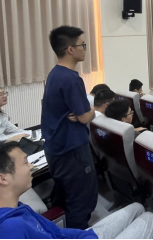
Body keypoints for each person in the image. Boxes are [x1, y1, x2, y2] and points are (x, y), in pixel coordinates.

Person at [0, 142, 153, 240]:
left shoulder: (9, 209)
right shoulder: (9, 230)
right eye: (25, 162)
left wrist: (85, 236)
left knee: (136, 207)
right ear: (2, 179)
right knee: (151, 218)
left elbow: (56, 233)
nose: (31, 166)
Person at [41, 26, 97, 229]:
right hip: (71, 150)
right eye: (83, 45)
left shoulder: (55, 74)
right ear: (70, 49)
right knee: (81, 201)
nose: (85, 49)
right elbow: (85, 117)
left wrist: (82, 113)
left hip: (56, 148)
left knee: (64, 196)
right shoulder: (71, 79)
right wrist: (92, 111)